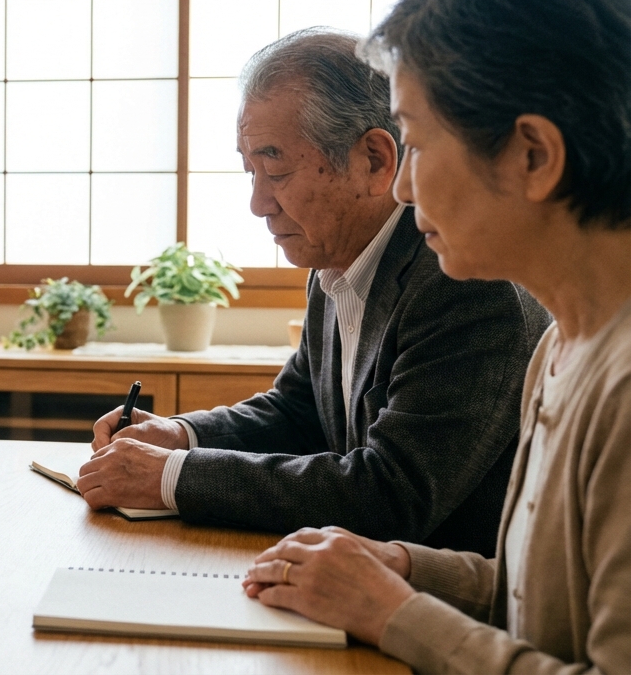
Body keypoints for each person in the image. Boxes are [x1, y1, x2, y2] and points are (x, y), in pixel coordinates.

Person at [242, 0, 631, 672]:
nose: (401, 186)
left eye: (415, 143)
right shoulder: (565, 345)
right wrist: (400, 566)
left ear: (533, 155)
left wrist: (390, 612)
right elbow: (531, 599)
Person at [78, 29, 549, 555]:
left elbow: (390, 494)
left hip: (446, 603)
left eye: (275, 170)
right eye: (249, 170)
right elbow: (298, 413)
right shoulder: (337, 255)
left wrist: (172, 477)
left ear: (374, 160)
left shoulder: (465, 284)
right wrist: (180, 436)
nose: (258, 203)